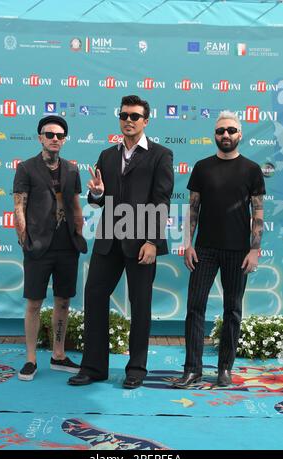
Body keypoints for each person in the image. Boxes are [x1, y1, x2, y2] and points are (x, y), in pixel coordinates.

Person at [68, 95, 174, 389]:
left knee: (141, 305)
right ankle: (93, 368)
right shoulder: (107, 156)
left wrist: (153, 241)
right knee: (93, 298)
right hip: (108, 241)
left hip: (142, 241)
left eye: (135, 116)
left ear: (145, 121)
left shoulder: (161, 155)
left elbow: (161, 201)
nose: (129, 120)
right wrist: (98, 193)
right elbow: (98, 200)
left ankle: (136, 369)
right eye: (124, 115)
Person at [173, 110, 266, 388]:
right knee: (194, 308)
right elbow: (192, 209)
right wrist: (188, 244)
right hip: (204, 250)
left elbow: (258, 211)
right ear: (215, 135)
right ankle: (192, 369)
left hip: (238, 252)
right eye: (220, 131)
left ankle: (225, 367)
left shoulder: (251, 169)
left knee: (232, 311)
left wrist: (254, 249)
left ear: (239, 134)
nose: (225, 135)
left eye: (230, 130)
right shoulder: (202, 167)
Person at [13, 115, 87, 381]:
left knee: (64, 301)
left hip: (67, 245)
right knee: (34, 303)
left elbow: (76, 204)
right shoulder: (26, 168)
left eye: (59, 135)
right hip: (37, 246)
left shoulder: (71, 169)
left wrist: (79, 233)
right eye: (49, 134)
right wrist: (24, 239)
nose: (54, 138)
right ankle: (31, 359)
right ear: (40, 137)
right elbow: (19, 205)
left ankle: (58, 353)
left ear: (64, 140)